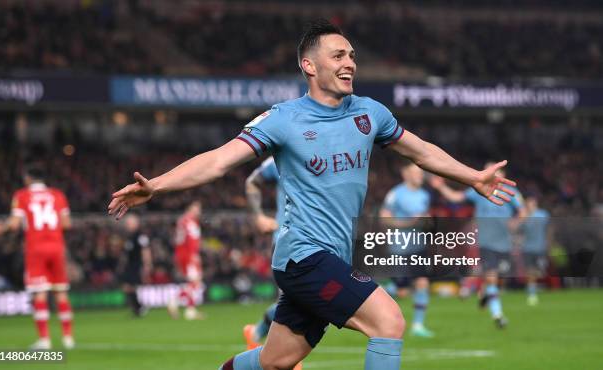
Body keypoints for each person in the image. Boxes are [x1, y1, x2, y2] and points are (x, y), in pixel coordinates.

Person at [108, 19, 517, 370]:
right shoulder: (283, 119)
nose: (349, 63)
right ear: (309, 65)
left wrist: (473, 177)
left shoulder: (369, 112)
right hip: (303, 258)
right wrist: (157, 184)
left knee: (276, 361)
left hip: (333, 257)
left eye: (352, 55)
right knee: (388, 321)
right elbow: (219, 160)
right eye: (338, 55)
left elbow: (421, 151)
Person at [430, 162, 526, 328]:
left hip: (505, 243)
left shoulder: (512, 192)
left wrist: (515, 225)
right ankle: (498, 315)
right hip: (487, 242)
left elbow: (523, 212)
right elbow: (456, 197)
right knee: (492, 277)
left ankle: (485, 295)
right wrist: (441, 187)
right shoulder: (479, 189)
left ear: (501, 173)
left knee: (497, 280)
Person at [0, 165, 75, 349]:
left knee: (40, 293)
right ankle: (68, 338)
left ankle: (45, 340)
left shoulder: (22, 195)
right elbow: (67, 224)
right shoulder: (58, 195)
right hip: (57, 247)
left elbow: (13, 225)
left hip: (36, 249)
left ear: (28, 179)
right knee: (61, 292)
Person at [242, 157, 303, 370]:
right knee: (293, 300)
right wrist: (258, 216)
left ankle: (257, 332)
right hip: (286, 238)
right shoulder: (281, 156)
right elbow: (252, 181)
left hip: (319, 239)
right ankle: (289, 359)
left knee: (300, 301)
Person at [379, 163, 435, 338]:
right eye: (416, 173)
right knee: (401, 290)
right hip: (399, 248)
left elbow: (425, 222)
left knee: (422, 283)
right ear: (406, 174)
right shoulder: (396, 194)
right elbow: (384, 219)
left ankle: (418, 325)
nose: (420, 176)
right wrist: (408, 223)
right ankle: (375, 290)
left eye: (421, 173)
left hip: (418, 247)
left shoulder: (425, 195)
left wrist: (427, 223)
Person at [168, 201, 205, 320]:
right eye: (196, 208)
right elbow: (191, 239)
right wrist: (194, 255)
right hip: (189, 254)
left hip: (180, 254)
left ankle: (189, 309)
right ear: (190, 208)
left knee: (193, 282)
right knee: (196, 281)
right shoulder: (190, 222)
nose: (199, 211)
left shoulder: (181, 221)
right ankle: (178, 304)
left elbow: (178, 239)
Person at [118, 214, 152, 317]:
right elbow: (125, 253)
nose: (127, 225)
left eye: (129, 223)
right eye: (127, 223)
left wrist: (147, 265)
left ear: (136, 223)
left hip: (137, 265)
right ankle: (138, 308)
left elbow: (146, 251)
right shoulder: (129, 237)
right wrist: (122, 264)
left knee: (130, 286)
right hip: (130, 265)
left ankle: (139, 308)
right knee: (127, 287)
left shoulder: (140, 236)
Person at [520, 195, 550, 306]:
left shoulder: (543, 215)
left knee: (540, 271)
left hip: (540, 247)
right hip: (528, 248)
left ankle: (535, 287)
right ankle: (532, 293)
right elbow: (519, 231)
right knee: (530, 271)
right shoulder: (525, 217)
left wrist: (549, 243)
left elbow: (549, 229)